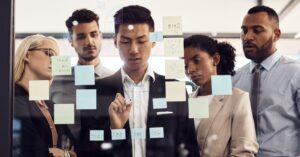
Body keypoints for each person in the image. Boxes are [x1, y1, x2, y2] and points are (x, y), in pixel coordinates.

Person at [78, 5, 199, 157]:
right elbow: (86, 149)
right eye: (126, 41)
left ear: (153, 41)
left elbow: (189, 148)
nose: (134, 49)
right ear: (115, 42)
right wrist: (116, 130)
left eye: (141, 41)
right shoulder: (93, 91)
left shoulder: (175, 88)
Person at [233, 5, 300, 156]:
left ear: (276, 35)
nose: (248, 37)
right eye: (244, 30)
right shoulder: (234, 78)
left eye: (257, 30)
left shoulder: (296, 74)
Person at [184, 34, 258, 156]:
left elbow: (244, 152)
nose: (190, 70)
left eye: (196, 61)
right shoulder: (188, 100)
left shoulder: (237, 99)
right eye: (185, 65)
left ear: (215, 59)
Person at [50, 8, 114, 139]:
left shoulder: (115, 80)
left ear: (100, 36)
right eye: (81, 36)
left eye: (94, 34)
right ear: (70, 41)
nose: (89, 42)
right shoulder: (56, 82)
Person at [14, 34, 76, 157]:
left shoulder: (52, 106)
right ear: (27, 55)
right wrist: (65, 154)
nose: (55, 61)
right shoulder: (13, 98)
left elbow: (74, 146)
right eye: (49, 53)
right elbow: (30, 151)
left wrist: (62, 154)